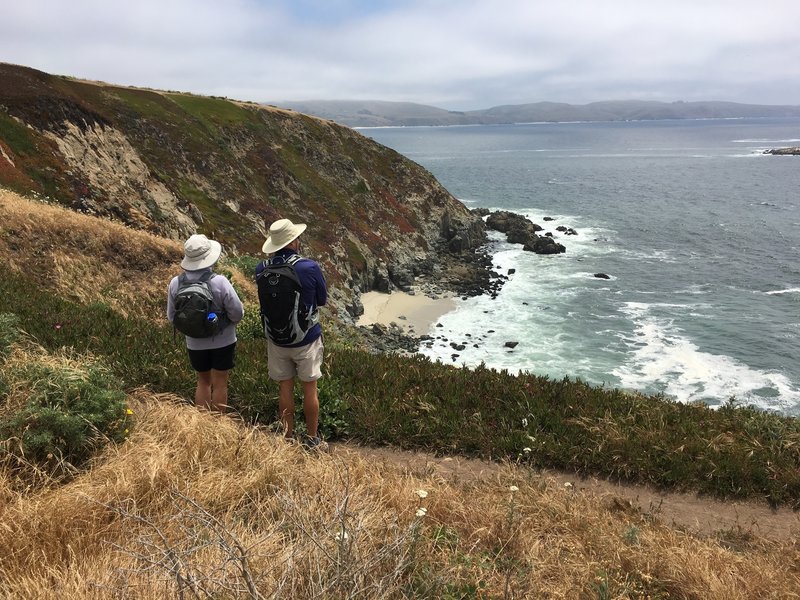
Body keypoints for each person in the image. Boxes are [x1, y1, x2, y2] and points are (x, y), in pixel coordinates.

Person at [257, 218, 327, 449]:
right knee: (310, 388)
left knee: (285, 387)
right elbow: (322, 300)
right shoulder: (309, 267)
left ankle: (288, 438)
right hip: (306, 338)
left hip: (276, 339)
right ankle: (312, 439)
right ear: (294, 241)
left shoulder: (261, 269)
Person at [167, 234, 244, 412]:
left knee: (203, 382)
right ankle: (218, 423)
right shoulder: (219, 281)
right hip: (223, 341)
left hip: (194, 342)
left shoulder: (175, 283)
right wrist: (224, 324)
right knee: (220, 383)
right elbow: (237, 313)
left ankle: (202, 424)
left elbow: (172, 317)